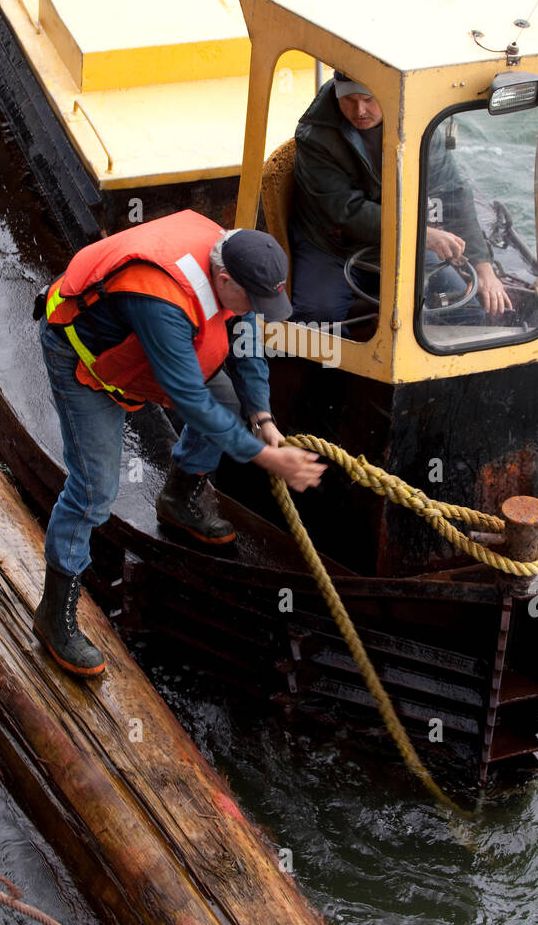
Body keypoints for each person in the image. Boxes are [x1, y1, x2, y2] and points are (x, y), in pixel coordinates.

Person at [33, 210, 325, 678]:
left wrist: (262, 415)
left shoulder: (233, 265)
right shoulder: (162, 300)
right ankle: (53, 614)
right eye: (249, 300)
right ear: (225, 279)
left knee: (230, 405)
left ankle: (178, 496)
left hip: (142, 348)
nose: (251, 310)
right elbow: (188, 399)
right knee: (94, 492)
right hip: (84, 361)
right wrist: (268, 457)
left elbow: (246, 341)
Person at [289, 72, 512, 325]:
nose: (359, 110)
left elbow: (453, 192)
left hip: (404, 241)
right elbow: (346, 213)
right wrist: (421, 234)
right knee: (317, 318)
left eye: (368, 99)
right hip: (331, 246)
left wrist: (483, 267)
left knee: (467, 311)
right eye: (349, 100)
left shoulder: (420, 123)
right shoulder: (315, 136)